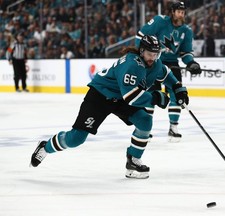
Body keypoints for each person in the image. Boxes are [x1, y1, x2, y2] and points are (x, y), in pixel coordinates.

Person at [30, 35, 189, 179]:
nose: (152, 58)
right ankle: (45, 147)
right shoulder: (131, 64)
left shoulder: (154, 63)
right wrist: (156, 97)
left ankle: (133, 161)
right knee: (76, 139)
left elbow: (166, 74)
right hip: (100, 95)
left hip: (120, 98)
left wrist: (178, 88)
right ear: (141, 51)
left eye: (156, 55)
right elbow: (132, 97)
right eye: (149, 54)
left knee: (145, 121)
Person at [136, 1, 201, 141]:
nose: (181, 14)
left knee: (177, 93)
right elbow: (140, 36)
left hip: (172, 64)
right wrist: (141, 56)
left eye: (183, 12)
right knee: (150, 95)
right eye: (178, 11)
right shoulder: (160, 21)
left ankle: (173, 127)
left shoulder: (186, 31)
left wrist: (191, 62)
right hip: (154, 62)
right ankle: (144, 127)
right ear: (172, 12)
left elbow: (186, 52)